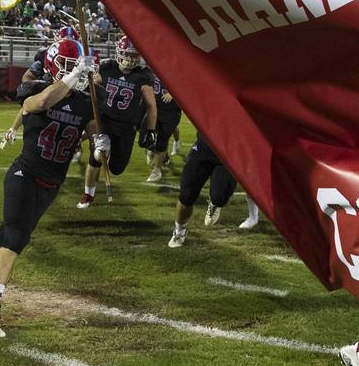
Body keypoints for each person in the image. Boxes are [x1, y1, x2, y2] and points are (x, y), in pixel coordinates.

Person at [0, 39, 97, 337]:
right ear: (56, 66)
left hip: (51, 184)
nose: (74, 72)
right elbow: (41, 104)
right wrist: (72, 77)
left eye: (76, 67)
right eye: (68, 67)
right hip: (24, 174)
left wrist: (101, 142)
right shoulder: (34, 88)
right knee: (16, 239)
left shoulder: (84, 102)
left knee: (7, 237)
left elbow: (92, 135)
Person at [77, 36, 156, 209]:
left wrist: (151, 129)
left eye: (134, 56)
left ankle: (99, 148)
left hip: (127, 126)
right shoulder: (107, 67)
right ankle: (88, 194)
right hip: (104, 119)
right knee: (97, 156)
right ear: (118, 53)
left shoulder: (142, 76)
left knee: (117, 168)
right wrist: (88, 75)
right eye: (127, 54)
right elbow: (90, 88)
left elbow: (151, 105)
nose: (130, 59)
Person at [168, 133, 239, 248]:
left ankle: (215, 204)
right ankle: (179, 230)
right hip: (203, 148)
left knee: (219, 197)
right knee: (186, 195)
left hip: (229, 153)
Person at [145, 73, 182, 184]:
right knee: (147, 133)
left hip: (171, 111)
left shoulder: (180, 70)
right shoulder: (155, 66)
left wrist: (174, 93)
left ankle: (157, 170)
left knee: (164, 138)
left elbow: (189, 85)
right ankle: (154, 150)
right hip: (156, 107)